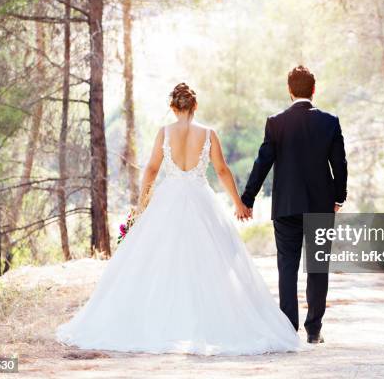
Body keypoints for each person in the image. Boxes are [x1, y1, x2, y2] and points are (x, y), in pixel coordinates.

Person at [56, 83, 301, 355]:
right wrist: (238, 204)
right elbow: (221, 170)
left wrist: (141, 206)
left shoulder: (164, 133)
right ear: (194, 107)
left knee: (158, 260)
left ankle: (164, 320)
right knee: (211, 260)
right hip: (201, 199)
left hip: (168, 199)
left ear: (173, 107)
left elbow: (150, 170)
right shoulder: (208, 134)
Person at [241, 66, 348, 344]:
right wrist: (339, 197)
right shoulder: (330, 122)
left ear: (289, 91)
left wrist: (248, 198)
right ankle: (314, 330)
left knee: (286, 267)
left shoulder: (276, 123)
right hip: (321, 206)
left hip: (286, 206)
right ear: (314, 90)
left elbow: (262, 162)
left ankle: (289, 329)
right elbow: (340, 164)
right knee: (317, 266)